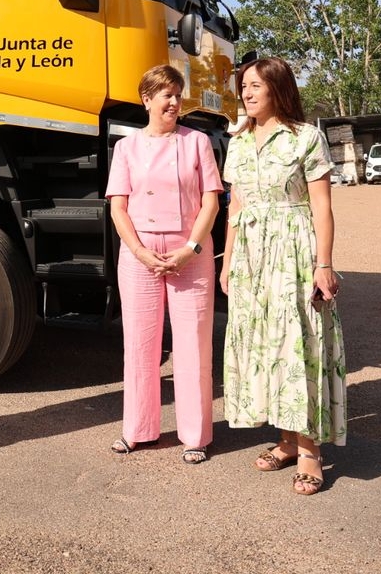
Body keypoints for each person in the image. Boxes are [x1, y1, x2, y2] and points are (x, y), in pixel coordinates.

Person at [219, 57, 346, 496]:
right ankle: (287, 440)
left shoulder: (305, 138)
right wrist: (226, 262)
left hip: (293, 251)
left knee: (296, 345)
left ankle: (310, 451)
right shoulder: (236, 142)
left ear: (278, 88)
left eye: (255, 86)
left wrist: (323, 263)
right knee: (265, 345)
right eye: (243, 87)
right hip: (251, 258)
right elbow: (235, 209)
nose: (247, 93)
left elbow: (322, 208)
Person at [105, 65, 222, 464]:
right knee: (140, 344)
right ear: (147, 100)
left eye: (177, 94)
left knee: (192, 344)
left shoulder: (197, 142)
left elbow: (211, 200)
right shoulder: (126, 148)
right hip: (141, 255)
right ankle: (137, 429)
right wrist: (138, 251)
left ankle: (195, 435)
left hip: (189, 251)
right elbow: (118, 206)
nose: (174, 102)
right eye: (166, 95)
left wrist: (191, 247)